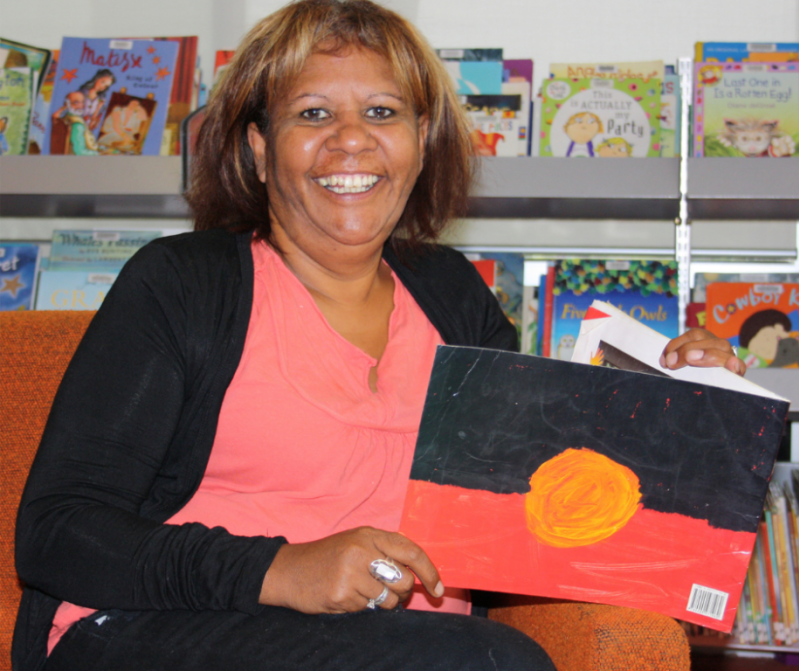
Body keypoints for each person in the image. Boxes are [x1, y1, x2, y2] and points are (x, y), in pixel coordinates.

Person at [13, 2, 743, 670]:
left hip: (416, 644)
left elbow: (533, 508)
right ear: (261, 150)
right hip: (155, 627)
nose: (351, 139)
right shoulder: (181, 283)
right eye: (313, 113)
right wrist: (280, 569)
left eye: (382, 111)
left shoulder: (455, 298)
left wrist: (679, 411)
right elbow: (57, 529)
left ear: (420, 141)